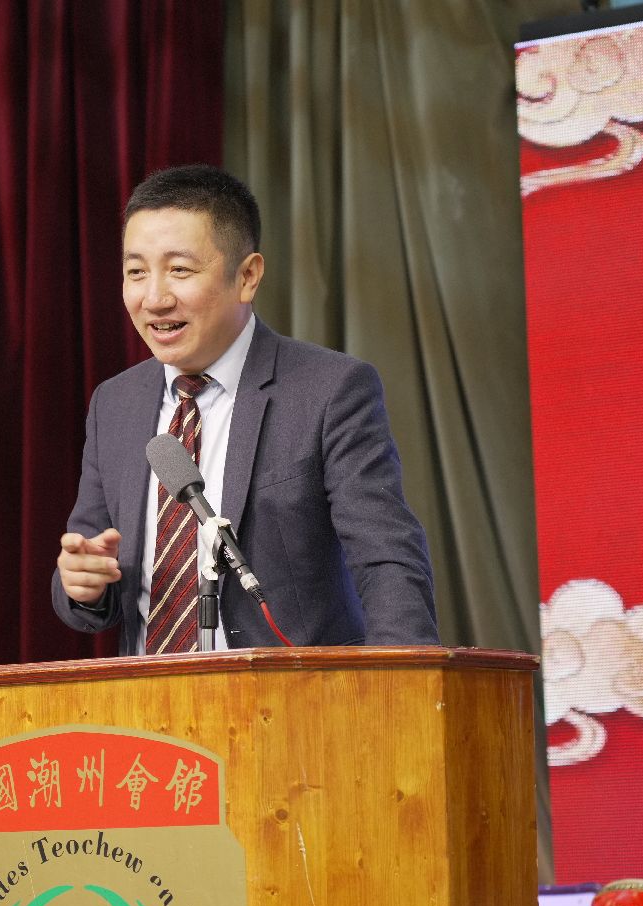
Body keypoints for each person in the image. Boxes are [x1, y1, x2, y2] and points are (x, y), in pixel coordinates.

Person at [51, 164, 438, 654]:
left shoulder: (329, 390)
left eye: (180, 270)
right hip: (151, 694)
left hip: (291, 692)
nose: (154, 298)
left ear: (247, 276)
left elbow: (386, 557)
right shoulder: (115, 404)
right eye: (136, 272)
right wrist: (83, 582)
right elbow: (90, 572)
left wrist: (401, 678)